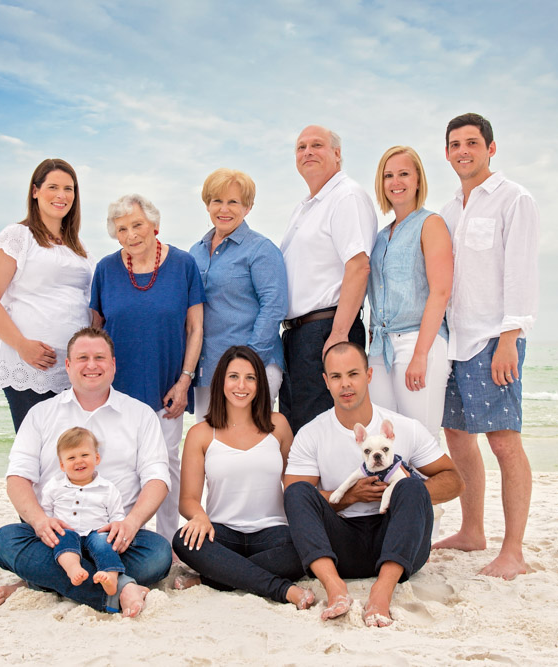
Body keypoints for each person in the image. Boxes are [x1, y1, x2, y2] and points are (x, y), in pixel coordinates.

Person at [0, 327, 172, 617]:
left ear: (113, 364)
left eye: (100, 357)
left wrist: (131, 524)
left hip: (115, 540)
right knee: (5, 541)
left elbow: (158, 479)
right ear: (68, 365)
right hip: (55, 537)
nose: (91, 365)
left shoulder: (140, 415)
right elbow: (17, 478)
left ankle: (42, 581)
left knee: (159, 555)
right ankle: (121, 588)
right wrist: (39, 522)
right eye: (82, 357)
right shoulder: (41, 414)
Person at [283, 341, 463, 627]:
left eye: (353, 374)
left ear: (368, 375)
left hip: (398, 541)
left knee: (412, 483)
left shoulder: (403, 427)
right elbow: (296, 499)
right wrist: (350, 496)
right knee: (295, 492)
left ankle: (382, 590)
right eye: (336, 377)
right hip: (341, 545)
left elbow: (454, 481)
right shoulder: (311, 433)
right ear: (325, 382)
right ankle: (334, 587)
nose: (346, 384)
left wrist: (400, 494)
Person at [432, 113, 540, 581]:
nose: (463, 151)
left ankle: (512, 550)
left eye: (472, 143)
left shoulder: (514, 199)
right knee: (457, 438)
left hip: (493, 339)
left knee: (504, 442)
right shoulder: (448, 210)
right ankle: (472, 530)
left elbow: (521, 271)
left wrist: (509, 338)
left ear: (490, 148)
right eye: (455, 144)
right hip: (453, 341)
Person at [90, 194, 205, 543]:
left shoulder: (183, 265)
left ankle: (170, 545)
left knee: (166, 467)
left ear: (154, 225)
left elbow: (195, 328)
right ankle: (117, 538)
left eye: (137, 225)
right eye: (122, 228)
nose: (131, 234)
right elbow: (95, 330)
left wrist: (184, 381)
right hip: (116, 394)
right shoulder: (106, 270)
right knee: (117, 467)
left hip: (166, 391)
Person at [172, 346, 314, 609]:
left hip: (273, 534)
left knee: (305, 548)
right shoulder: (201, 433)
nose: (242, 385)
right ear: (221, 382)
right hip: (221, 534)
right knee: (182, 540)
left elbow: (295, 487)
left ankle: (214, 578)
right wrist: (200, 517)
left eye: (250, 377)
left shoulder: (279, 425)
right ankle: (282, 589)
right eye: (233, 376)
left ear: (260, 384)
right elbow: (188, 500)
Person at [0, 158, 94, 432]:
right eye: (53, 187)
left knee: (71, 453)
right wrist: (22, 345)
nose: (62, 195)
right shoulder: (18, 236)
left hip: (72, 370)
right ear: (35, 191)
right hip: (30, 366)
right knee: (37, 451)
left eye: (69, 188)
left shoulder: (79, 248)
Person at [279, 125, 377, 434]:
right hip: (299, 336)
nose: (307, 151)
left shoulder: (345, 197)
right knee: (301, 430)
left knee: (326, 430)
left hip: (327, 330)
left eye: (316, 145)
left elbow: (359, 265)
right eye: (301, 147)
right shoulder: (306, 206)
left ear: (337, 154)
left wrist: (338, 333)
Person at [368, 146, 453, 435]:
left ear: (418, 180)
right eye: (388, 175)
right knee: (387, 440)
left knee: (421, 440)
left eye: (404, 173)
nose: (396, 182)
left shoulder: (431, 224)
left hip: (418, 341)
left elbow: (440, 292)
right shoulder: (380, 237)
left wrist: (420, 354)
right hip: (380, 348)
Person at [189, 168, 288, 421]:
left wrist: (249, 362)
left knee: (248, 449)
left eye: (233, 202)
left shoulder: (261, 250)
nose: (224, 209)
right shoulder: (195, 252)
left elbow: (273, 307)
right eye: (217, 201)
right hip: (207, 369)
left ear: (248, 207)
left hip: (255, 367)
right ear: (207, 205)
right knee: (209, 448)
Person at [42, 427, 126, 595]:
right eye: (71, 457)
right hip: (68, 532)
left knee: (104, 543)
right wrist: (49, 525)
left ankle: (110, 578)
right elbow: (46, 512)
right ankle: (74, 569)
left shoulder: (107, 488)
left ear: (96, 458)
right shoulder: (54, 486)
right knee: (63, 540)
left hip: (97, 532)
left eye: (84, 455)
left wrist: (116, 526)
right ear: (62, 465)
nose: (78, 461)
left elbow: (117, 515)